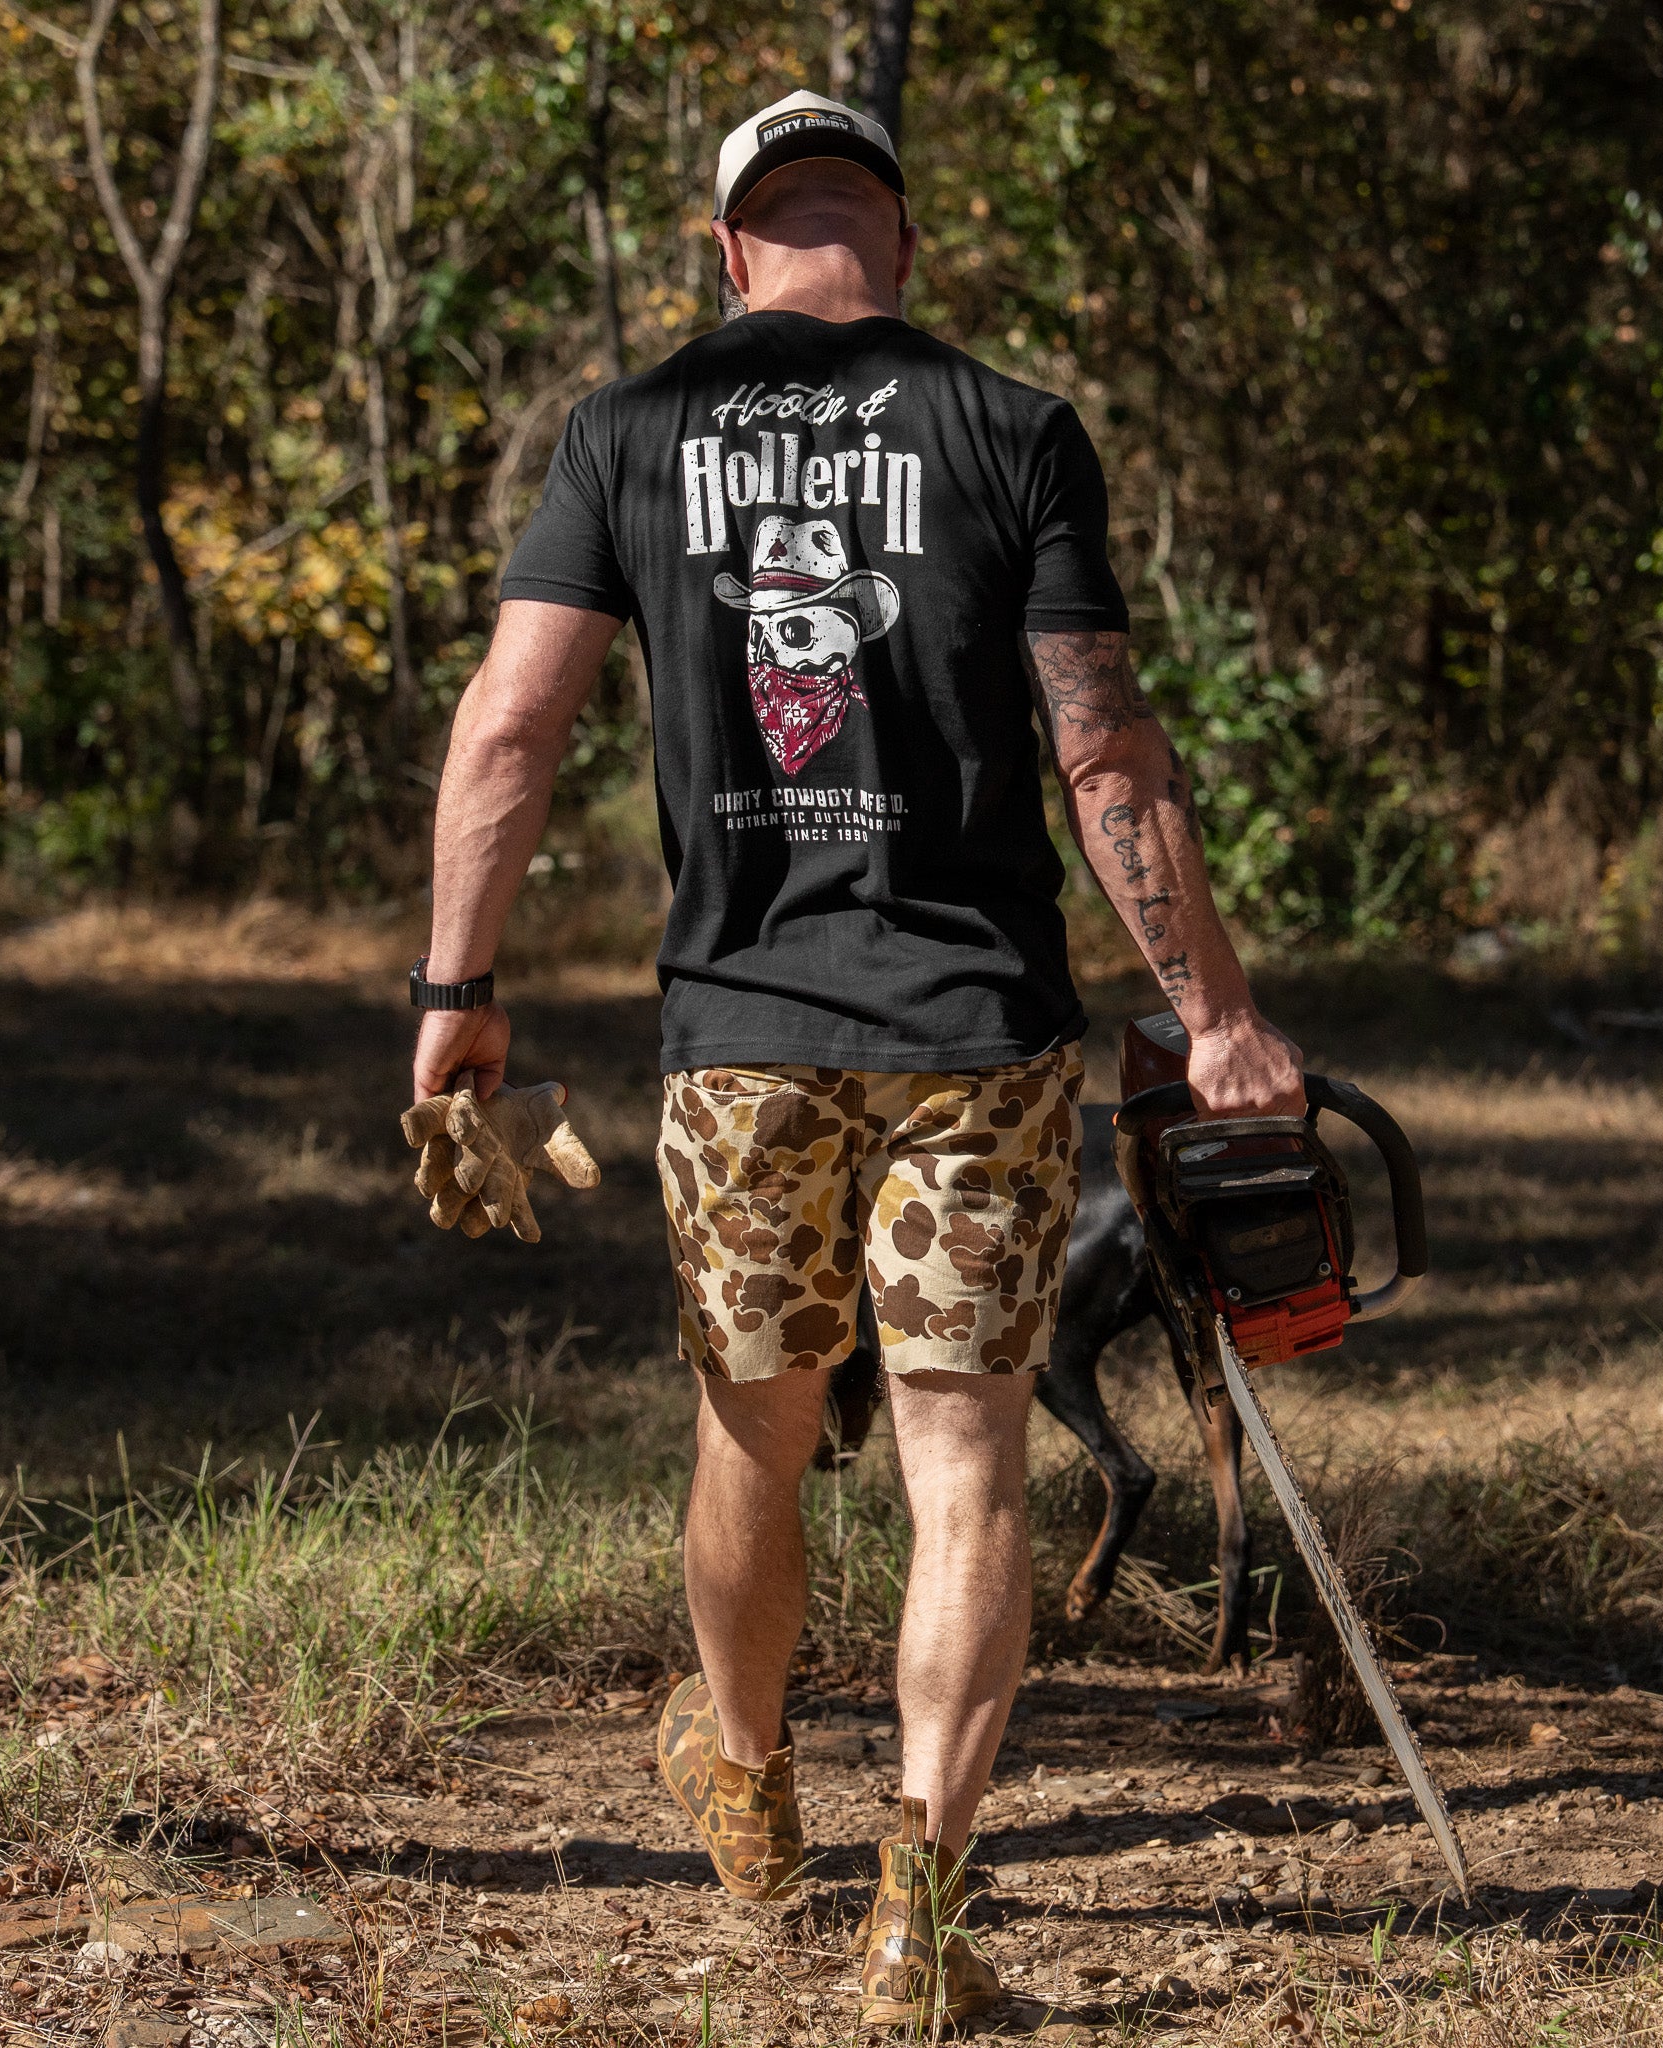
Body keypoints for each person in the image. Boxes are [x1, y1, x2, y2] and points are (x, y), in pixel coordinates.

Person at [408, 88, 1302, 2029]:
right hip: (978, 1031)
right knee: (963, 1462)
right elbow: (1105, 756)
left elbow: (508, 728)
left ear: (728, 249)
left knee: (753, 1426)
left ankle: (744, 1785)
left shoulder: (624, 434)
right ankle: (920, 1916)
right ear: (895, 246)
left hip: (738, 1034)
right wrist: (1214, 1010)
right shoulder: (1007, 426)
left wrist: (452, 995)